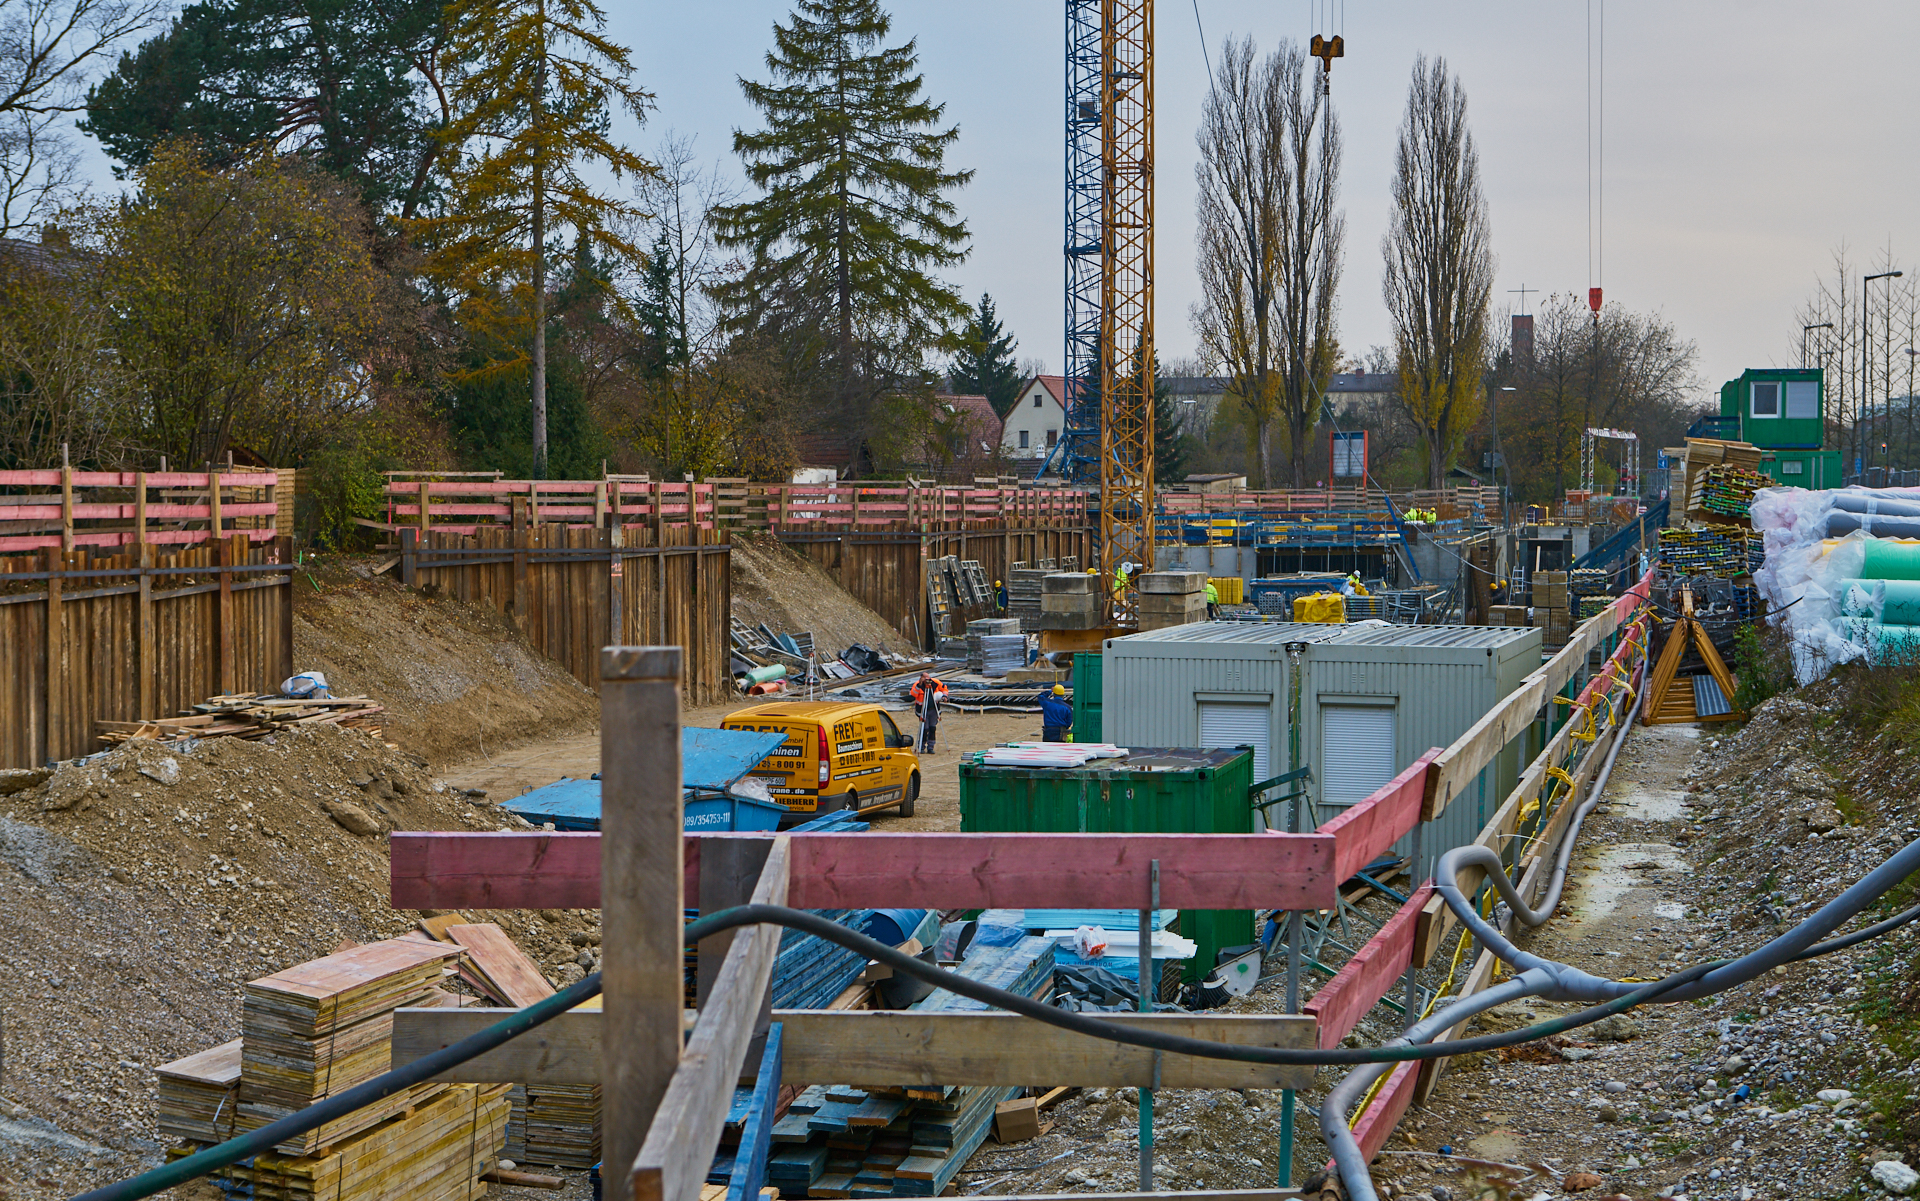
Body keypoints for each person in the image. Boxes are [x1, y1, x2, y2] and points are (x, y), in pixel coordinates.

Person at [908, 672, 948, 753]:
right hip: (922, 710)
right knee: (924, 728)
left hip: (933, 709)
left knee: (932, 728)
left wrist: (944, 696)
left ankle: (931, 747)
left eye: (928, 678)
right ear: (921, 678)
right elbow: (913, 694)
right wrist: (919, 685)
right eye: (925, 678)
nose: (927, 680)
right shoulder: (917, 685)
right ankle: (921, 747)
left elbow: (944, 688)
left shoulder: (935, 682)